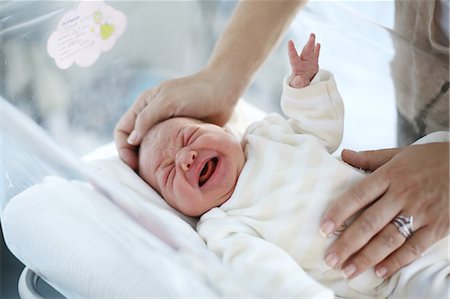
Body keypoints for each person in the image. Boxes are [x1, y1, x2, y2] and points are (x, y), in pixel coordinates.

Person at [115, 0, 449, 281]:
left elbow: (320, 130)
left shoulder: (265, 136)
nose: (186, 157)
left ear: (227, 130)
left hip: (408, 208)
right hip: (376, 273)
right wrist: (220, 77)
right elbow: (267, 275)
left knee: (435, 142)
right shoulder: (223, 226)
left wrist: (306, 89)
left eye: (189, 136)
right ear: (175, 209)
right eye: (169, 173)